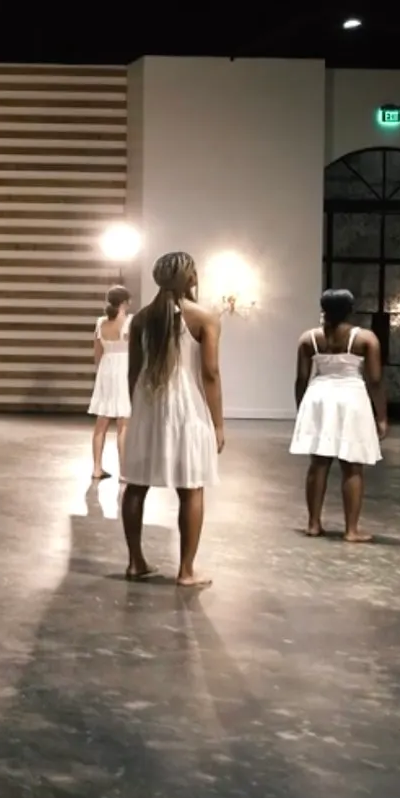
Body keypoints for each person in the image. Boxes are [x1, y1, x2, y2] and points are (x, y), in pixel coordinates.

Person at [119, 251, 224, 587]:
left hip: (148, 405)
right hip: (186, 407)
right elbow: (210, 373)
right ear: (191, 277)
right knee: (191, 488)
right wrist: (218, 423)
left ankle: (135, 562)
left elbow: (133, 372)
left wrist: (138, 411)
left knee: (136, 485)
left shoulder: (140, 319)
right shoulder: (204, 317)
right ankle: (186, 570)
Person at [291, 289, 387, 541]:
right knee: (352, 465)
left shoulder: (308, 338)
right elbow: (375, 380)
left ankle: (313, 524)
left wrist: (301, 408)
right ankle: (351, 530)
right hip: (351, 398)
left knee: (318, 463)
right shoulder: (365, 338)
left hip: (319, 396)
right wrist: (381, 416)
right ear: (350, 309)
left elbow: (301, 379)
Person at [87, 285, 133, 479]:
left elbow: (97, 352)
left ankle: (96, 468)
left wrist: (100, 371)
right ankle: (124, 472)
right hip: (124, 369)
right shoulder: (129, 322)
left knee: (101, 421)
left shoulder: (100, 323)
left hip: (106, 369)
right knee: (123, 423)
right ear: (125, 302)